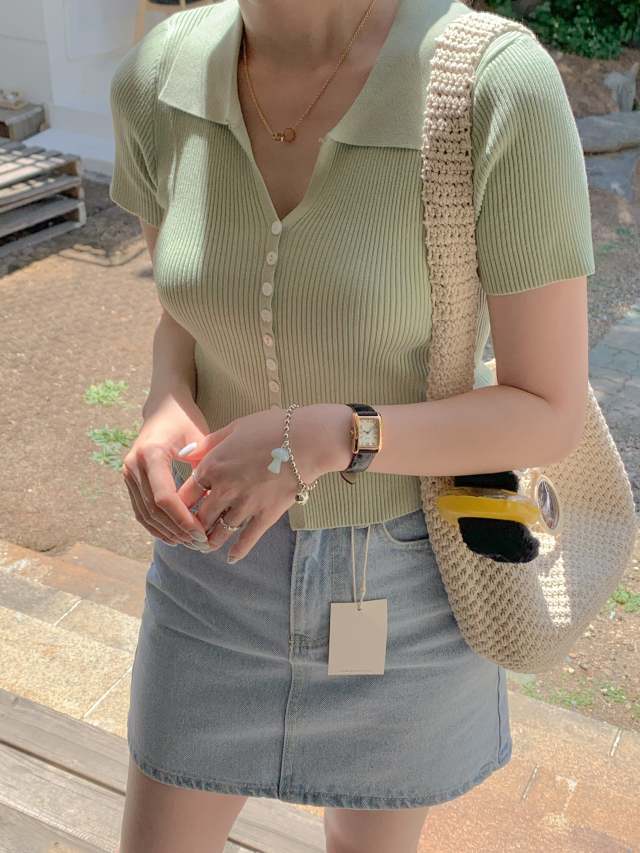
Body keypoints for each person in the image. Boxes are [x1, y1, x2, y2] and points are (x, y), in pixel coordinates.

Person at [108, 0, 593, 850]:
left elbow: (548, 410)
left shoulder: (491, 86)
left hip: (407, 581)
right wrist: (166, 400)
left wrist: (339, 434)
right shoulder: (158, 76)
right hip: (211, 569)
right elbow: (184, 313)